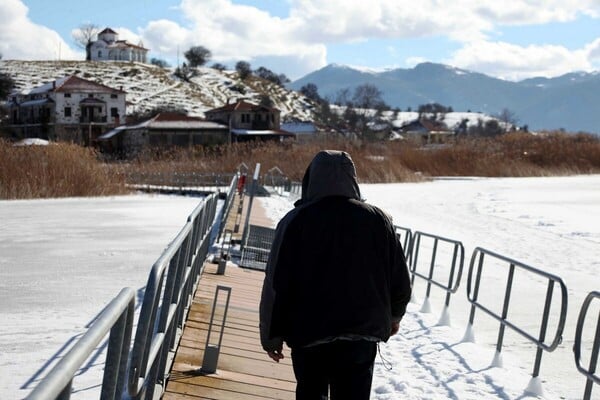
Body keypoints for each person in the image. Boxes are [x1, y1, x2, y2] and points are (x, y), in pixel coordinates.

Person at [259, 150, 412, 400]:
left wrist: (271, 337)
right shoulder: (378, 220)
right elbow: (399, 280)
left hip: (308, 334)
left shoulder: (294, 221)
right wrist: (394, 316)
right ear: (352, 178)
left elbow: (275, 284)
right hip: (361, 335)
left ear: (311, 179)